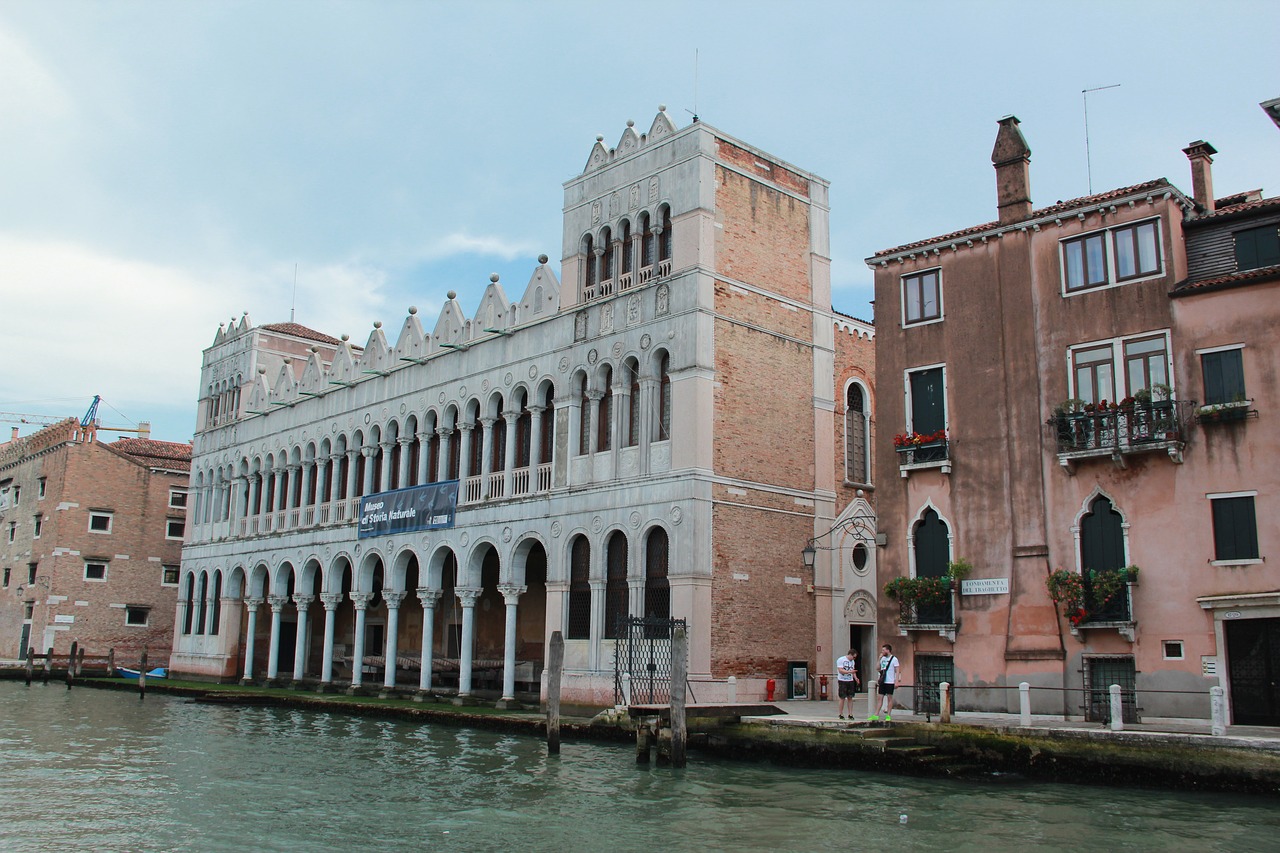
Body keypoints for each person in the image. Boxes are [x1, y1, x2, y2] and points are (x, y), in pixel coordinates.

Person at [870, 643, 900, 722]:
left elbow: (897, 671)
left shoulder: (894, 659)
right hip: (883, 681)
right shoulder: (882, 658)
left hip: (890, 681)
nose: (882, 651)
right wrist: (879, 659)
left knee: (890, 698)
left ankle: (888, 715)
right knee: (880, 698)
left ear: (888, 650)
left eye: (883, 650)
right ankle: (876, 714)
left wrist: (896, 681)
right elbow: (877, 668)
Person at [835, 648, 860, 720]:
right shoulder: (841, 660)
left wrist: (855, 678)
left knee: (850, 697)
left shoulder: (852, 662)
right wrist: (850, 672)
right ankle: (840, 713)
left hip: (850, 680)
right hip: (842, 680)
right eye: (854, 657)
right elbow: (841, 670)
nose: (854, 659)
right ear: (850, 655)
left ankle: (850, 714)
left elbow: (853, 670)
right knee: (842, 697)